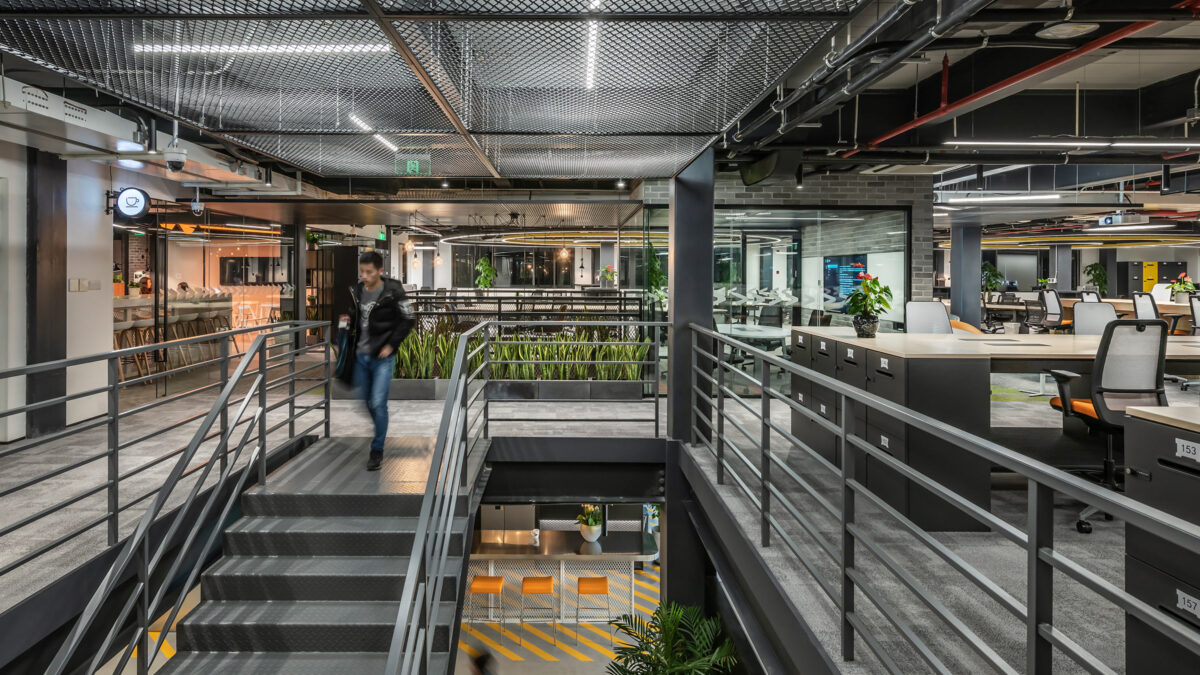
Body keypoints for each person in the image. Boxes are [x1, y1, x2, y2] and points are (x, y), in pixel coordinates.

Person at [338, 251, 414, 471]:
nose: (364, 276)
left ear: (380, 271)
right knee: (365, 403)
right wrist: (347, 321)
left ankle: (377, 449)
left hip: (383, 357)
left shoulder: (393, 290)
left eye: (369, 272)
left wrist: (391, 345)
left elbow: (408, 319)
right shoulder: (357, 291)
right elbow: (358, 317)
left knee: (378, 403)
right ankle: (380, 428)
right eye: (362, 271)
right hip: (360, 356)